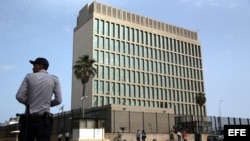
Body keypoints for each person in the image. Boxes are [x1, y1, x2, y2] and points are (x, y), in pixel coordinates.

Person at [16, 57, 62, 141]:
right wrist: (49, 103)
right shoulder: (55, 79)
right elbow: (59, 100)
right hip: (45, 121)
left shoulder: (29, 77)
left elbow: (19, 96)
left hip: (29, 120)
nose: (32, 67)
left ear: (41, 66)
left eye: (34, 65)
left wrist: (29, 102)